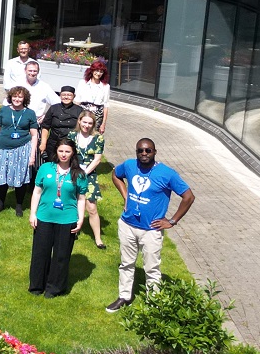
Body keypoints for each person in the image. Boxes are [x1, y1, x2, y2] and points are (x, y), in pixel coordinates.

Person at [108, 139, 195, 313]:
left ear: (155, 152)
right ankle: (124, 296)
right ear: (136, 152)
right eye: (140, 151)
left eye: (148, 151)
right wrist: (125, 196)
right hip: (127, 225)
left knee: (152, 267)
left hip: (151, 230)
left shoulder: (167, 174)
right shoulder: (130, 165)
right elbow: (115, 174)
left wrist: (172, 221)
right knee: (126, 263)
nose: (144, 154)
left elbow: (189, 196)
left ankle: (154, 302)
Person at [28, 139, 89, 299]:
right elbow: (37, 192)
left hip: (67, 219)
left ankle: (54, 288)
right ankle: (36, 285)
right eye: (61, 151)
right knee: (40, 253)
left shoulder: (79, 174)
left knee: (61, 256)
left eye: (67, 151)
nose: (64, 154)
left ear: (73, 153)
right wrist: (32, 214)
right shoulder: (45, 168)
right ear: (56, 151)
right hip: (44, 217)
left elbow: (81, 198)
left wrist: (80, 219)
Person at [0, 85, 40, 214]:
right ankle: (1, 203)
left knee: (20, 176)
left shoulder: (30, 113)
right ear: (10, 97)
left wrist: (32, 155)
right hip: (2, 148)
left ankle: (19, 205)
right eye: (15, 96)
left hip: (22, 148)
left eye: (20, 97)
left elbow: (34, 135)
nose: (17, 99)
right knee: (3, 176)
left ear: (25, 98)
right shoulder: (4, 110)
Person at [73, 110, 107, 249]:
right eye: (84, 122)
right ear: (79, 121)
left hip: (89, 174)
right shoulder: (72, 135)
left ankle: (98, 239)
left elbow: (97, 159)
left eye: (90, 123)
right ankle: (73, 230)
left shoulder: (98, 138)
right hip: (73, 172)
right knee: (72, 203)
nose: (86, 125)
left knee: (91, 207)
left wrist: (84, 172)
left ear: (93, 125)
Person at [40, 85, 85, 163]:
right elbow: (45, 126)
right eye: (64, 95)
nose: (66, 97)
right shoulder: (53, 108)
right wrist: (43, 143)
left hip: (71, 144)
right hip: (53, 143)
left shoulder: (79, 110)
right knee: (51, 165)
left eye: (69, 95)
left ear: (74, 96)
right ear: (60, 95)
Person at [76, 60, 112, 134]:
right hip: (83, 112)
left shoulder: (106, 87)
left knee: (93, 136)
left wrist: (103, 124)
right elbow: (77, 100)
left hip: (97, 115)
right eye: (96, 70)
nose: (98, 73)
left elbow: (106, 105)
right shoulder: (83, 83)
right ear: (92, 71)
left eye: (101, 72)